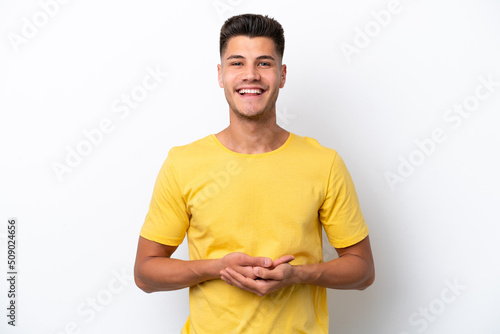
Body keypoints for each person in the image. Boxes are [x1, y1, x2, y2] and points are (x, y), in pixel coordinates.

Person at [134, 13, 374, 333]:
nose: (251, 75)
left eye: (264, 63)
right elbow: (145, 274)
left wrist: (300, 274)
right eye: (237, 63)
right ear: (220, 75)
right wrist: (218, 268)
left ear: (282, 74)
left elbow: (363, 271)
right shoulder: (182, 163)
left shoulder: (324, 163)